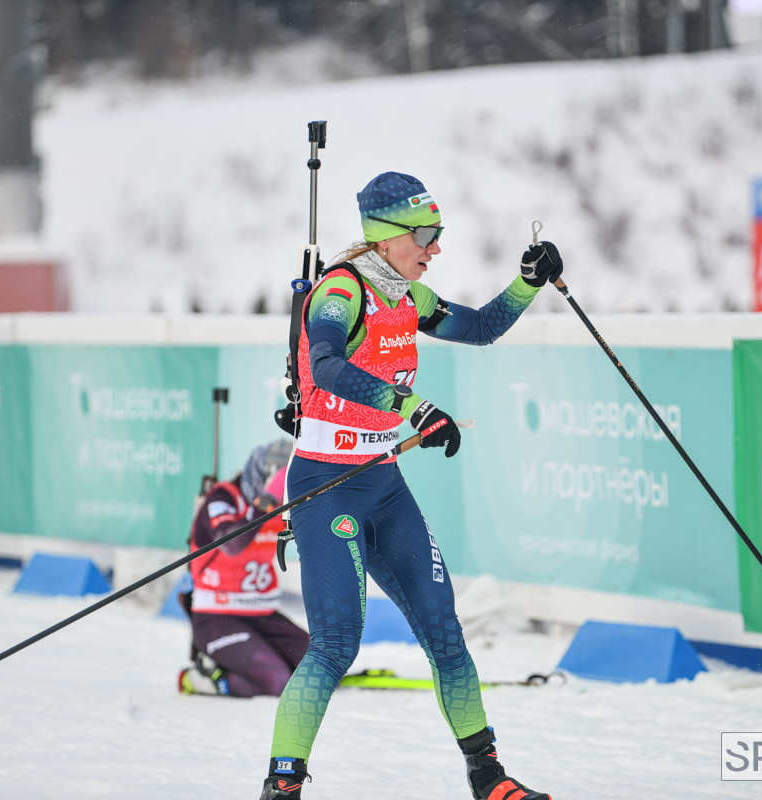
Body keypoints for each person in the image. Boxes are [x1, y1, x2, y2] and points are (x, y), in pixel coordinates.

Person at [258, 172, 563, 799]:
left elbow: (480, 327)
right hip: (327, 486)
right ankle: (281, 788)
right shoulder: (340, 292)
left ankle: (489, 779)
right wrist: (414, 408)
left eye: (438, 233)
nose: (435, 247)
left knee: (444, 630)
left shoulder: (408, 296)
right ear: (387, 236)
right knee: (336, 644)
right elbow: (327, 365)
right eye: (425, 235)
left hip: (383, 486)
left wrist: (527, 282)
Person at [179, 438, 309, 698]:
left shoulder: (282, 504)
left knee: (320, 671)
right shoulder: (223, 497)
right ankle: (204, 678)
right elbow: (232, 544)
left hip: (263, 614)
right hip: (216, 617)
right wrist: (265, 502)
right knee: (277, 683)